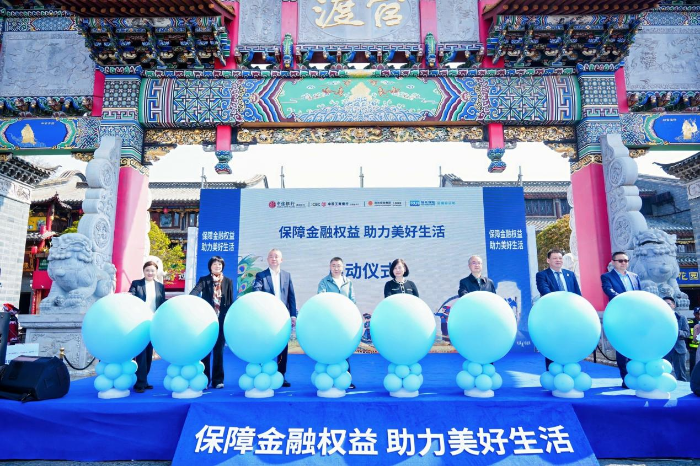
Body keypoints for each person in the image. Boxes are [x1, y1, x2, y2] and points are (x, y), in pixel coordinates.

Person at [253, 249, 297, 387]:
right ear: (267, 259)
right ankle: (263, 373)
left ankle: (281, 375)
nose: (274, 259)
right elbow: (256, 291)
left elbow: (291, 297)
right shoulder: (261, 275)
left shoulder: (287, 275)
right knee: (265, 344)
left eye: (276, 256)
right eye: (271, 256)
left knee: (282, 346)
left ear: (281, 260)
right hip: (266, 317)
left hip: (282, 317)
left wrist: (293, 315)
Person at [190, 256, 234, 389]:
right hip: (207, 321)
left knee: (219, 351)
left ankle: (218, 380)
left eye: (219, 264)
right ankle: (204, 379)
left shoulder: (228, 281)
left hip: (221, 320)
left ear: (222, 266)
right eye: (215, 264)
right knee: (206, 350)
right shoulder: (204, 280)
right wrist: (188, 299)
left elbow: (230, 301)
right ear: (210, 266)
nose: (217, 266)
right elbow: (195, 292)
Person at [601, 251, 642, 386]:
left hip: (635, 315)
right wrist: (624, 299)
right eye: (620, 261)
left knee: (635, 345)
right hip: (619, 314)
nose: (623, 263)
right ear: (613, 262)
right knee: (622, 346)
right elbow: (609, 291)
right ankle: (626, 378)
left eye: (626, 260)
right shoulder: (607, 277)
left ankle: (637, 374)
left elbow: (639, 294)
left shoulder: (634, 277)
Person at [536, 248, 581, 369]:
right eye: (555, 258)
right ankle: (553, 370)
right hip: (553, 314)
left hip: (570, 314)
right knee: (553, 342)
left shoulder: (570, 274)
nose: (558, 260)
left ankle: (570, 366)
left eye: (560, 258)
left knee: (570, 341)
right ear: (548, 260)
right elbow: (545, 291)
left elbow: (577, 293)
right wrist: (560, 304)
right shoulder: (542, 275)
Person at [317, 257, 356, 389]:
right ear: (330, 267)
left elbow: (352, 300)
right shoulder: (324, 282)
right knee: (329, 347)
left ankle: (346, 379)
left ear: (343, 267)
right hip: (329, 321)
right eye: (333, 265)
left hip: (344, 322)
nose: (336, 268)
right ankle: (327, 378)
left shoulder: (348, 282)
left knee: (344, 349)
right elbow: (321, 298)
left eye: (339, 265)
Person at [128, 261, 166, 393]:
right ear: (143, 271)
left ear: (156, 272)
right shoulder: (136, 284)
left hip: (153, 322)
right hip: (140, 321)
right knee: (141, 352)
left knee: (149, 352)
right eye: (147, 270)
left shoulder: (160, 286)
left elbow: (161, 304)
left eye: (152, 270)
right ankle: (140, 382)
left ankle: (144, 380)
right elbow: (131, 297)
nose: (150, 273)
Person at [662, 296, 690, 382]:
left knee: (681, 375)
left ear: (674, 305)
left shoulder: (681, 318)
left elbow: (687, 333)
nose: (666, 306)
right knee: (664, 373)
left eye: (668, 304)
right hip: (665, 349)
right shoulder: (660, 318)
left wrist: (676, 331)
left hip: (678, 349)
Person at [689, 308, 699, 374]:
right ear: (694, 314)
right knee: (693, 365)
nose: (698, 315)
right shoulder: (690, 322)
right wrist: (688, 347)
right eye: (697, 313)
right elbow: (687, 335)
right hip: (693, 348)